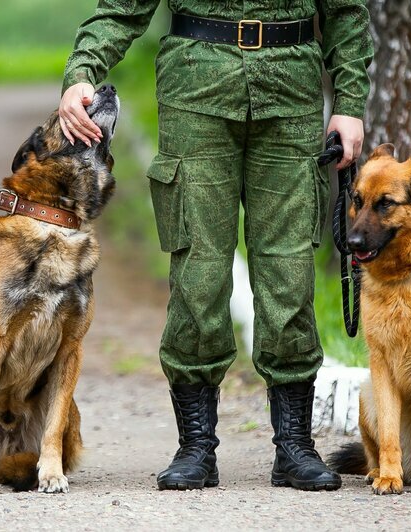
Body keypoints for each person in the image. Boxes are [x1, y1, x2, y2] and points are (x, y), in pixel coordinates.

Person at [60, 2, 372, 491]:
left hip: (290, 94)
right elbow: (121, 9)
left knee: (289, 276)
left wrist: (350, 102)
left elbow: (344, 11)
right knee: (198, 278)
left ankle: (294, 446)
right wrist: (83, 71)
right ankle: (196, 447)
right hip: (196, 91)